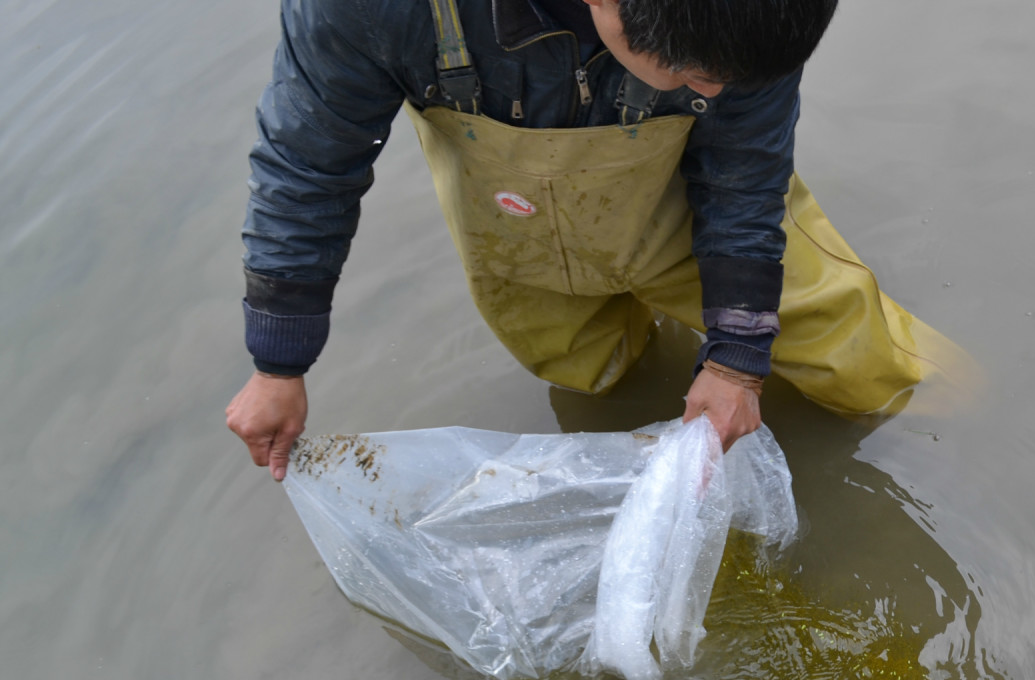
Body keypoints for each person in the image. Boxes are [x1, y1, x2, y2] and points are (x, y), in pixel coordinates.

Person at [227, 0, 955, 480]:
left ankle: (974, 431)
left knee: (861, 356)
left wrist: (737, 357)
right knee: (595, 380)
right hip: (514, 226)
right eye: (705, 75)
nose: (727, 88)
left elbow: (746, 166)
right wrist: (279, 361)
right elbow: (310, 157)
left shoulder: (754, 17)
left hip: (690, 198)